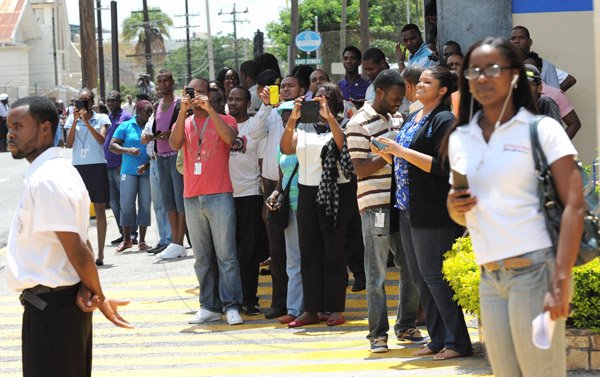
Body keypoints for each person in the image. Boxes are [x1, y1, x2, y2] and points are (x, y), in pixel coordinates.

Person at [446, 37, 583, 377]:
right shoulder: (462, 137)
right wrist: (454, 205)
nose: (481, 77)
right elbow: (461, 210)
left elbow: (575, 205)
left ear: (515, 76)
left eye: (493, 68)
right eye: (473, 71)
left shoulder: (542, 130)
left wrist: (561, 279)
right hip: (489, 277)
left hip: (535, 272)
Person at [6, 95, 132, 377]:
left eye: (18, 126)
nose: (10, 133)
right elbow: (79, 239)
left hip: (53, 313)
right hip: (55, 306)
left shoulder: (48, 179)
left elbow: (76, 247)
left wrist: (99, 295)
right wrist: (87, 287)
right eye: (9, 127)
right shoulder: (54, 171)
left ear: (45, 129)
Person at [376, 66, 472, 360]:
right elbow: (406, 161)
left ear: (442, 90)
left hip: (433, 210)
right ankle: (438, 337)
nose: (420, 85)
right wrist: (388, 154)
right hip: (407, 208)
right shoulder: (414, 117)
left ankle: (458, 341)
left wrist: (401, 152)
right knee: (419, 276)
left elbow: (443, 166)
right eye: (420, 81)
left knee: (435, 276)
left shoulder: (444, 120)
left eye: (428, 82)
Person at [347, 69, 423, 353]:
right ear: (379, 93)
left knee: (410, 269)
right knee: (376, 273)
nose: (398, 103)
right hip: (375, 205)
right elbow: (360, 170)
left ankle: (406, 326)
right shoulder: (358, 123)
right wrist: (390, 154)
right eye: (394, 98)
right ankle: (377, 334)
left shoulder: (399, 118)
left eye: (401, 98)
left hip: (401, 203)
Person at [280, 83, 357, 328]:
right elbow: (285, 147)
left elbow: (341, 144)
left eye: (324, 99)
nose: (318, 103)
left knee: (334, 250)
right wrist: (292, 119)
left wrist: (330, 118)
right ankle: (311, 309)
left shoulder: (344, 123)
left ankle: (334, 309)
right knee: (309, 251)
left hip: (337, 192)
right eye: (316, 99)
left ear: (334, 102)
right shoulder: (303, 127)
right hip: (307, 192)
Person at [170, 77, 244, 326]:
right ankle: (208, 305)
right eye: (193, 93)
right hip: (192, 196)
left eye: (203, 92)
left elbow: (230, 138)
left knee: (226, 256)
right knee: (201, 257)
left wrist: (210, 110)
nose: (198, 97)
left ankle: (232, 305)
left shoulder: (225, 119)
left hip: (220, 194)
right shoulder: (186, 121)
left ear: (211, 95)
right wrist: (182, 111)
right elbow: (173, 143)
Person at [250, 73, 304, 320]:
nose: (286, 89)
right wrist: (265, 106)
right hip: (272, 186)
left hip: (298, 186)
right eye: (282, 87)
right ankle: (281, 303)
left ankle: (303, 304)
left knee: (299, 252)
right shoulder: (272, 113)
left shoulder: (307, 115)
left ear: (300, 89)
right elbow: (254, 133)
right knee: (278, 252)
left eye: (291, 86)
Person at [227, 86, 266, 316]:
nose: (233, 103)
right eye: (230, 99)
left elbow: (261, 163)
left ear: (248, 103)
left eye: (238, 99)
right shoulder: (222, 125)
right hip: (224, 196)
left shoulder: (253, 128)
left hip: (250, 194)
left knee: (249, 252)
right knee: (228, 252)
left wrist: (262, 197)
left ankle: (250, 299)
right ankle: (231, 300)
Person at [265, 100, 303, 323]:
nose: (285, 119)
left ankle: (312, 306)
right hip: (289, 206)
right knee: (293, 260)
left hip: (308, 205)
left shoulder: (309, 138)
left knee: (309, 258)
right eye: (282, 117)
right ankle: (294, 308)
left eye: (290, 115)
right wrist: (274, 194)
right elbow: (282, 180)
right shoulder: (283, 144)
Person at [65, 88, 110, 266]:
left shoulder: (101, 118)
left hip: (97, 166)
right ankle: (85, 252)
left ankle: (100, 253)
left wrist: (87, 122)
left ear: (92, 102)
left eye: (86, 100)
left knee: (99, 209)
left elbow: (101, 140)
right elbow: (68, 144)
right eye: (80, 100)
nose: (83, 103)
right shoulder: (71, 118)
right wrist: (76, 121)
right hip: (79, 168)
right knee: (79, 210)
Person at [109, 100, 153, 252]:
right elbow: (112, 145)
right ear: (137, 111)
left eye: (150, 112)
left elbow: (155, 148)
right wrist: (127, 150)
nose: (148, 115)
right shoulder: (126, 126)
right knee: (126, 205)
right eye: (145, 111)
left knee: (145, 205)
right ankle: (127, 239)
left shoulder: (151, 126)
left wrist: (147, 164)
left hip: (146, 171)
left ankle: (141, 240)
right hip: (128, 171)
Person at [153, 70, 187, 259]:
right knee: (168, 200)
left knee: (179, 198)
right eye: (160, 81)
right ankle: (174, 240)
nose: (163, 84)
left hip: (176, 154)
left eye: (167, 80)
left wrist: (171, 135)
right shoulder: (157, 105)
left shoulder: (179, 103)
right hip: (161, 155)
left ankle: (179, 241)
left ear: (172, 83)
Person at [523, 53, 582, 139]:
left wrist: (561, 145)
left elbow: (574, 123)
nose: (528, 71)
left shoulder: (554, 95)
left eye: (532, 68)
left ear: (539, 70)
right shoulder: (513, 93)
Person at [140, 101, 172, 255]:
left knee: (166, 203)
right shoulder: (151, 119)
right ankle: (163, 239)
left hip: (162, 160)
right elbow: (143, 139)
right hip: (152, 162)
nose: (155, 109)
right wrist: (153, 136)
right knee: (157, 204)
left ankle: (170, 239)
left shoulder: (163, 119)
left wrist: (152, 137)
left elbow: (163, 136)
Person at [104, 90, 134, 250]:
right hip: (107, 166)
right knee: (114, 204)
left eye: (113, 101)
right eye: (108, 101)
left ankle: (133, 234)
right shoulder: (106, 119)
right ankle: (123, 233)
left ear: (119, 101)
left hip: (121, 165)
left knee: (126, 201)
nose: (110, 104)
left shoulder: (127, 118)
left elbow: (133, 138)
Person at [510, 26, 577, 92]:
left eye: (521, 38)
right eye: (513, 38)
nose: (516, 41)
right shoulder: (504, 66)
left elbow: (555, 94)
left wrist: (541, 96)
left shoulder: (546, 66)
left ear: (529, 42)